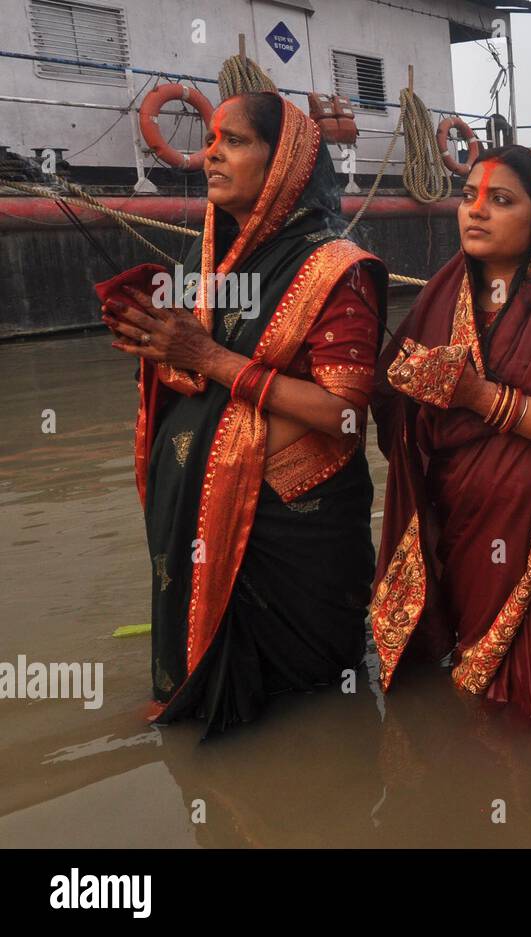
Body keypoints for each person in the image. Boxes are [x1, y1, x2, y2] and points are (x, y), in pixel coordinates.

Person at [101, 92, 388, 735]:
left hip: (293, 525)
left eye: (233, 141)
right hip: (214, 509)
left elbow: (343, 412)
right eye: (211, 139)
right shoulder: (216, 263)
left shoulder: (339, 271)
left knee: (311, 708)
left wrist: (206, 356)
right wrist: (156, 347)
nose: (210, 155)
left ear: (281, 161)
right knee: (226, 712)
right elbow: (199, 366)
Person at [369, 144, 531, 718]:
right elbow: (390, 394)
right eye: (468, 197)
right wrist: (414, 384)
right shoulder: (442, 292)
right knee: (471, 681)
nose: (476, 211)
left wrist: (477, 397)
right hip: (462, 522)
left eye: (501, 200)